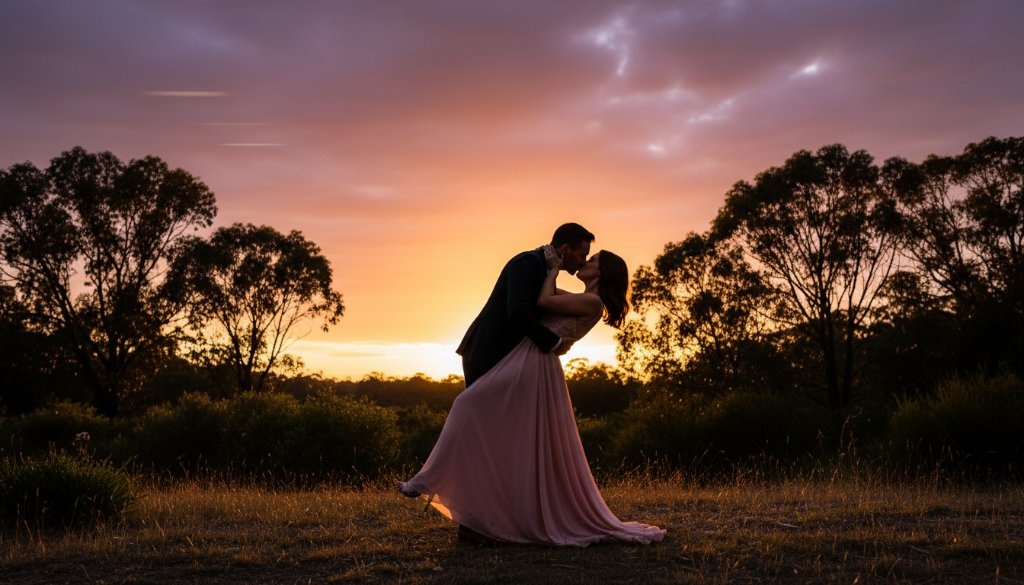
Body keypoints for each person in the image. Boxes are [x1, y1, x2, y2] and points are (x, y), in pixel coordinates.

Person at [397, 234, 666, 546]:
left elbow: (543, 301)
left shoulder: (592, 301)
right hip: (528, 359)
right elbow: (548, 300)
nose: (585, 262)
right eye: (585, 255)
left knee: (467, 405)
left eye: (592, 261)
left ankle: (426, 480)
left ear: (602, 273)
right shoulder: (583, 298)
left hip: (534, 363)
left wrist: (551, 268)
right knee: (497, 427)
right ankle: (474, 511)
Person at [456, 222, 594, 387]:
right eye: (582, 255)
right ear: (565, 249)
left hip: (506, 358)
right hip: (488, 353)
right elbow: (518, 312)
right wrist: (555, 343)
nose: (583, 262)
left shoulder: (546, 269)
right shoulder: (529, 263)